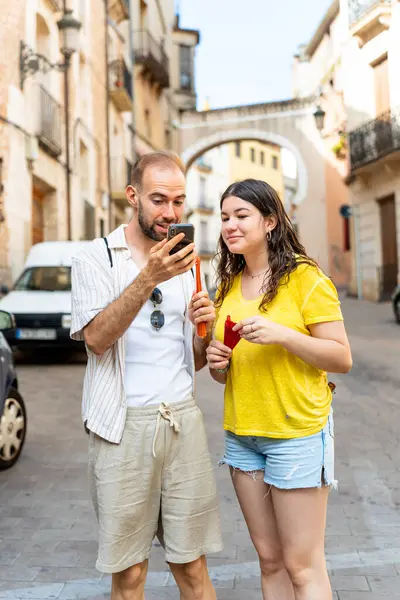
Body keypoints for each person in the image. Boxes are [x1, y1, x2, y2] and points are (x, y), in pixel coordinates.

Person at [70, 151, 223, 600]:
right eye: (159, 200)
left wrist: (204, 330)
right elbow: (97, 339)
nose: (170, 213)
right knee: (131, 574)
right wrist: (148, 277)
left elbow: (189, 358)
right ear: (132, 196)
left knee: (193, 568)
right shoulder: (95, 258)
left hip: (182, 422)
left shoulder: (189, 262)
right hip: (122, 428)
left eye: (178, 202)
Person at [206, 179, 352, 600]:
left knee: (302, 567)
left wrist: (283, 335)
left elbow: (341, 357)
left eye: (241, 215)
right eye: (224, 217)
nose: (229, 225)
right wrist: (218, 363)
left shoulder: (305, 278)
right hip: (243, 435)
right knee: (269, 561)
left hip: (298, 435)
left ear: (269, 221)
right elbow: (225, 376)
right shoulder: (228, 286)